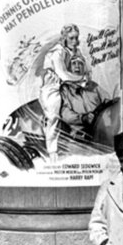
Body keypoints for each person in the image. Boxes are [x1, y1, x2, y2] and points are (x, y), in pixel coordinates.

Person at [39, 24, 89, 161]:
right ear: (65, 38)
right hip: (53, 87)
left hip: (68, 86)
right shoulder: (58, 52)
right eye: (71, 38)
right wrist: (80, 78)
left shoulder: (76, 51)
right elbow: (62, 74)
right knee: (53, 115)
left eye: (76, 38)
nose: (74, 41)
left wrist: (85, 78)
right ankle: (52, 151)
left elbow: (85, 67)